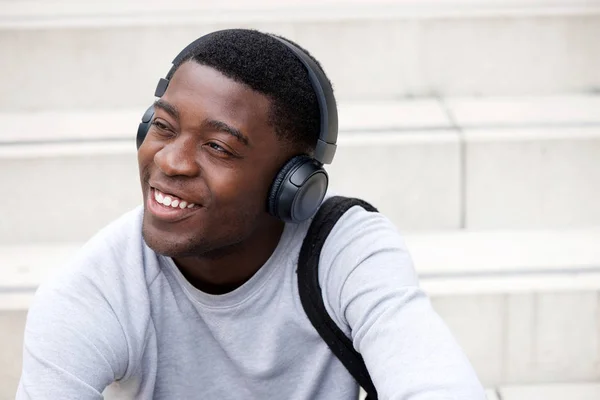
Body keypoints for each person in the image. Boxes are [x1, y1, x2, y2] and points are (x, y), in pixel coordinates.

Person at [17, 29, 485, 399]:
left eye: (218, 147)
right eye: (162, 126)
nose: (169, 161)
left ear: (293, 185)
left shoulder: (346, 250)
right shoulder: (94, 290)